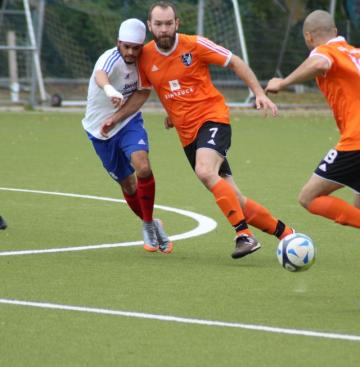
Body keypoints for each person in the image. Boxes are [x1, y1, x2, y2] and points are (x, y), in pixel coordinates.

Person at [102, 1, 294, 259]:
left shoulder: (195, 45)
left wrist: (258, 92)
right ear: (150, 26)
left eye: (169, 23)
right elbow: (153, 89)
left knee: (205, 170)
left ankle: (243, 235)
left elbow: (234, 62)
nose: (164, 29)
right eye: (158, 24)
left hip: (213, 119)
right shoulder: (145, 57)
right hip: (187, 135)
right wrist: (165, 113)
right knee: (235, 199)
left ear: (177, 23)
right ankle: (286, 234)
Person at [266, 10, 360, 309]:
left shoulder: (326, 52)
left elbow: (320, 62)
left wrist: (283, 82)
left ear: (309, 37)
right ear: (336, 28)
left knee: (309, 197)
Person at [82, 18, 172, 254]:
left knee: (142, 167)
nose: (131, 52)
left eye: (136, 47)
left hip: (128, 121)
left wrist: (118, 116)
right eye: (126, 47)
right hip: (99, 130)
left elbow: (142, 93)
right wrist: (110, 90)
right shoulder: (109, 57)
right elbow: (101, 74)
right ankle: (153, 224)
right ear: (118, 43)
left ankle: (146, 223)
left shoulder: (145, 62)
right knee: (128, 184)